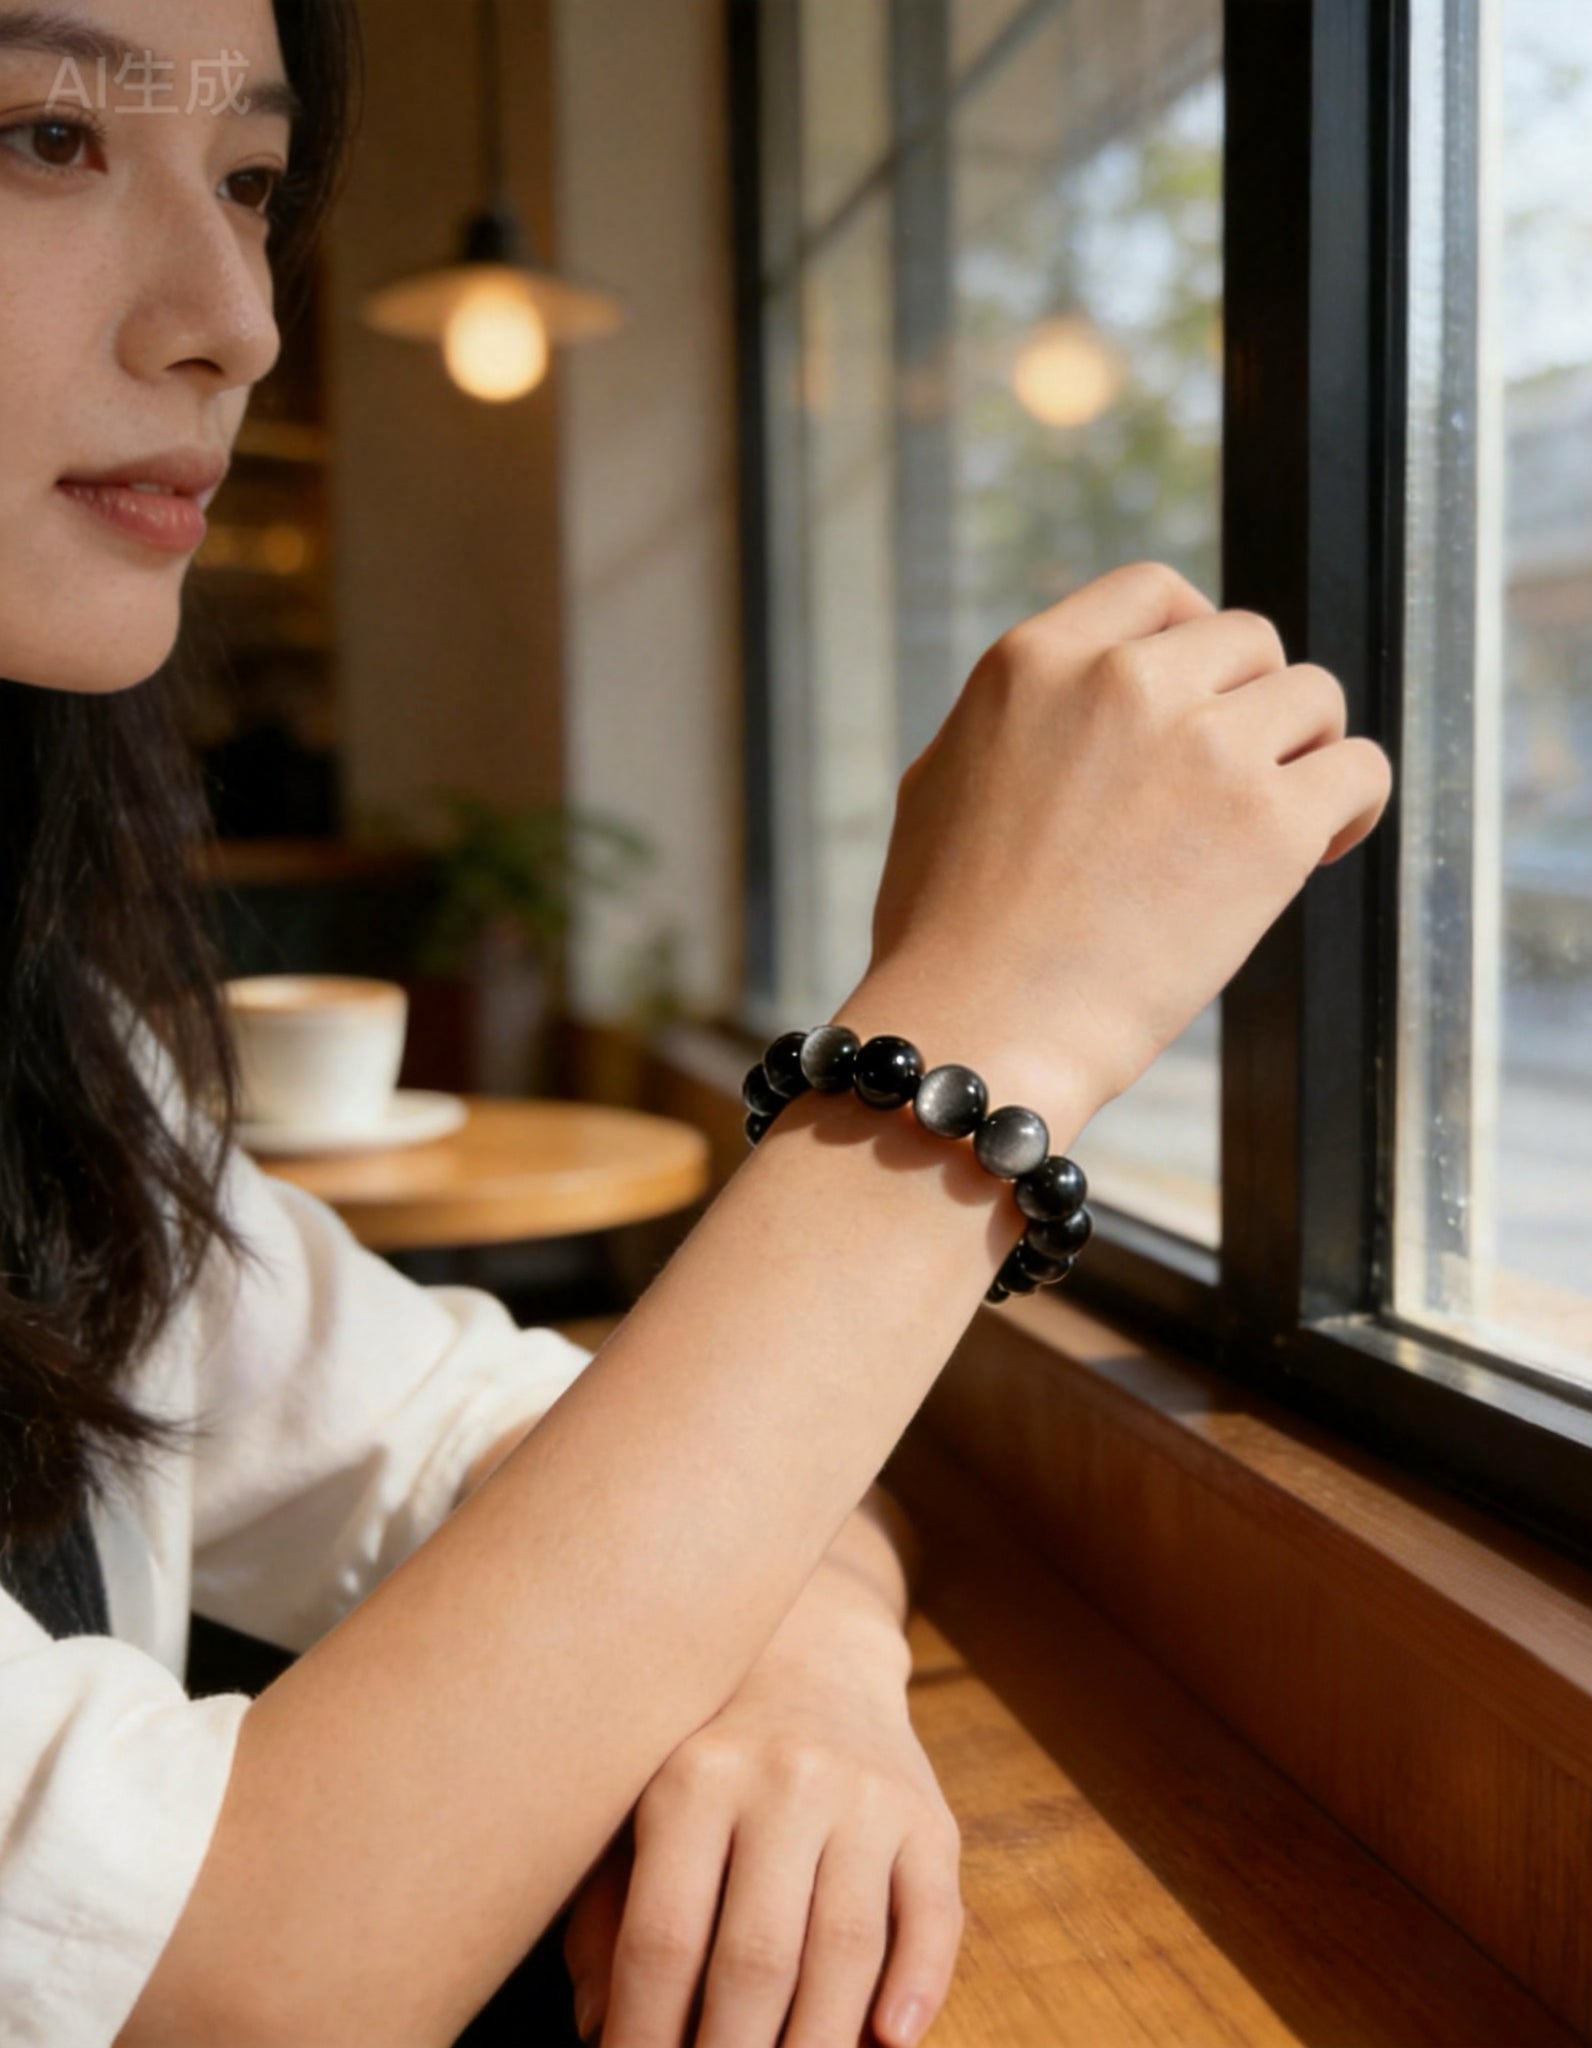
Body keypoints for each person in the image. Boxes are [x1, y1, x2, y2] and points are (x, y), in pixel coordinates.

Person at [0, 2, 1394, 2043]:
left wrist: (810, 1653)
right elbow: (237, 1973)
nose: (238, 318)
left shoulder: (72, 1060)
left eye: (249, 182)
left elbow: (534, 1443)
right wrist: (975, 1027)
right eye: (44, 135)